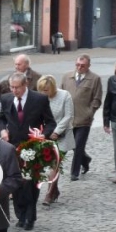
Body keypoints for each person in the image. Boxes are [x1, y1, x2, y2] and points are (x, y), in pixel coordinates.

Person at [0, 73, 56, 230]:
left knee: (30, 183)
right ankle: (20, 215)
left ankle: (30, 217)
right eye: (12, 87)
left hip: (33, 147)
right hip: (13, 147)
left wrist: (43, 135)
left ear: (25, 85)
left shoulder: (39, 99)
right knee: (16, 182)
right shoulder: (6, 99)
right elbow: (1, 118)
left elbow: (51, 122)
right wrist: (3, 130)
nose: (14, 90)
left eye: (17, 87)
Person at [60, 54, 103, 181]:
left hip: (84, 119)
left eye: (83, 66)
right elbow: (60, 94)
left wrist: (90, 112)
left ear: (88, 66)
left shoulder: (94, 79)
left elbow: (97, 98)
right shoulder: (67, 77)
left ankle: (74, 173)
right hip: (68, 118)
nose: (79, 67)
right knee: (70, 145)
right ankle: (85, 160)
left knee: (78, 145)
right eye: (77, 65)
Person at [37, 75, 75, 206]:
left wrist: (57, 131)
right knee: (50, 164)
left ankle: (49, 193)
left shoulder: (64, 96)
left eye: (46, 90)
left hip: (62, 135)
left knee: (55, 163)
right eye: (41, 90)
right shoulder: (39, 99)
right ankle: (54, 190)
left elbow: (68, 116)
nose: (43, 93)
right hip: (46, 135)